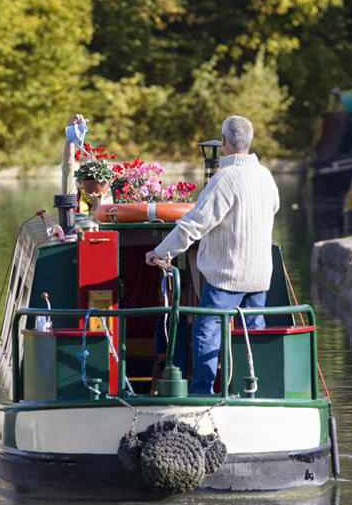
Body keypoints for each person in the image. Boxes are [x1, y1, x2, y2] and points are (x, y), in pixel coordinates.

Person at [145, 115, 280, 394]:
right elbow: (274, 208)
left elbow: (194, 225)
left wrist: (160, 252)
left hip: (228, 275)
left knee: (206, 331)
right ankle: (255, 390)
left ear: (224, 142)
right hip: (259, 275)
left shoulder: (224, 179)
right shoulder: (265, 176)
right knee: (252, 333)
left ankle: (202, 392)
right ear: (250, 141)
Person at [61, 113, 113, 213]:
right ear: (81, 182)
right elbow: (67, 165)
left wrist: (99, 206)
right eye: (88, 176)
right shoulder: (73, 197)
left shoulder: (110, 200)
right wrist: (72, 133)